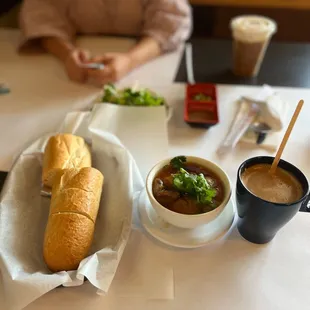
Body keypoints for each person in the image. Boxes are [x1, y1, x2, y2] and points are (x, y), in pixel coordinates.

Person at [19, 0, 192, 86]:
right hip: (64, 78)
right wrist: (66, 54)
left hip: (145, 65)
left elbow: (171, 22)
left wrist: (130, 60)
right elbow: (40, 14)